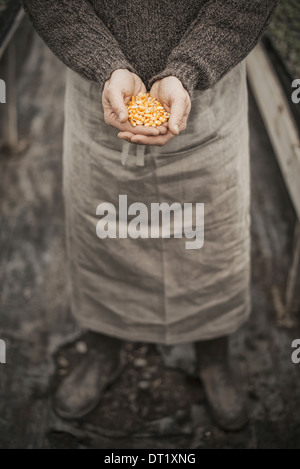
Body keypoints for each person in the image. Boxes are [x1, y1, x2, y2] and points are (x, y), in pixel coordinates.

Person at [21, 0, 279, 431]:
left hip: (208, 99)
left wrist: (189, 67)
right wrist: (105, 62)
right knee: (105, 239)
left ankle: (213, 356)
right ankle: (103, 348)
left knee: (209, 244)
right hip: (100, 96)